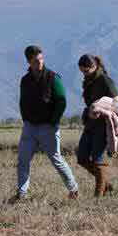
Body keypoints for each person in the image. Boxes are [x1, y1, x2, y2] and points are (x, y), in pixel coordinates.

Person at [11, 45, 79, 202]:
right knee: (23, 160)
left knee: (56, 160)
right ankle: (21, 193)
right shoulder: (25, 80)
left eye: (41, 59)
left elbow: (62, 101)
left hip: (48, 126)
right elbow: (22, 101)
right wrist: (26, 119)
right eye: (36, 60)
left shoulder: (53, 77)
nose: (40, 62)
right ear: (29, 61)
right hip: (30, 126)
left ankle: (73, 189)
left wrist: (54, 121)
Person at [76, 54, 118, 197]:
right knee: (82, 158)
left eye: (86, 71)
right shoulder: (88, 80)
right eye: (82, 71)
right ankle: (106, 184)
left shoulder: (105, 80)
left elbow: (116, 102)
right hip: (90, 123)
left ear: (94, 67)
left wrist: (100, 107)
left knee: (98, 159)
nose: (84, 74)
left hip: (103, 125)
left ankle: (98, 197)